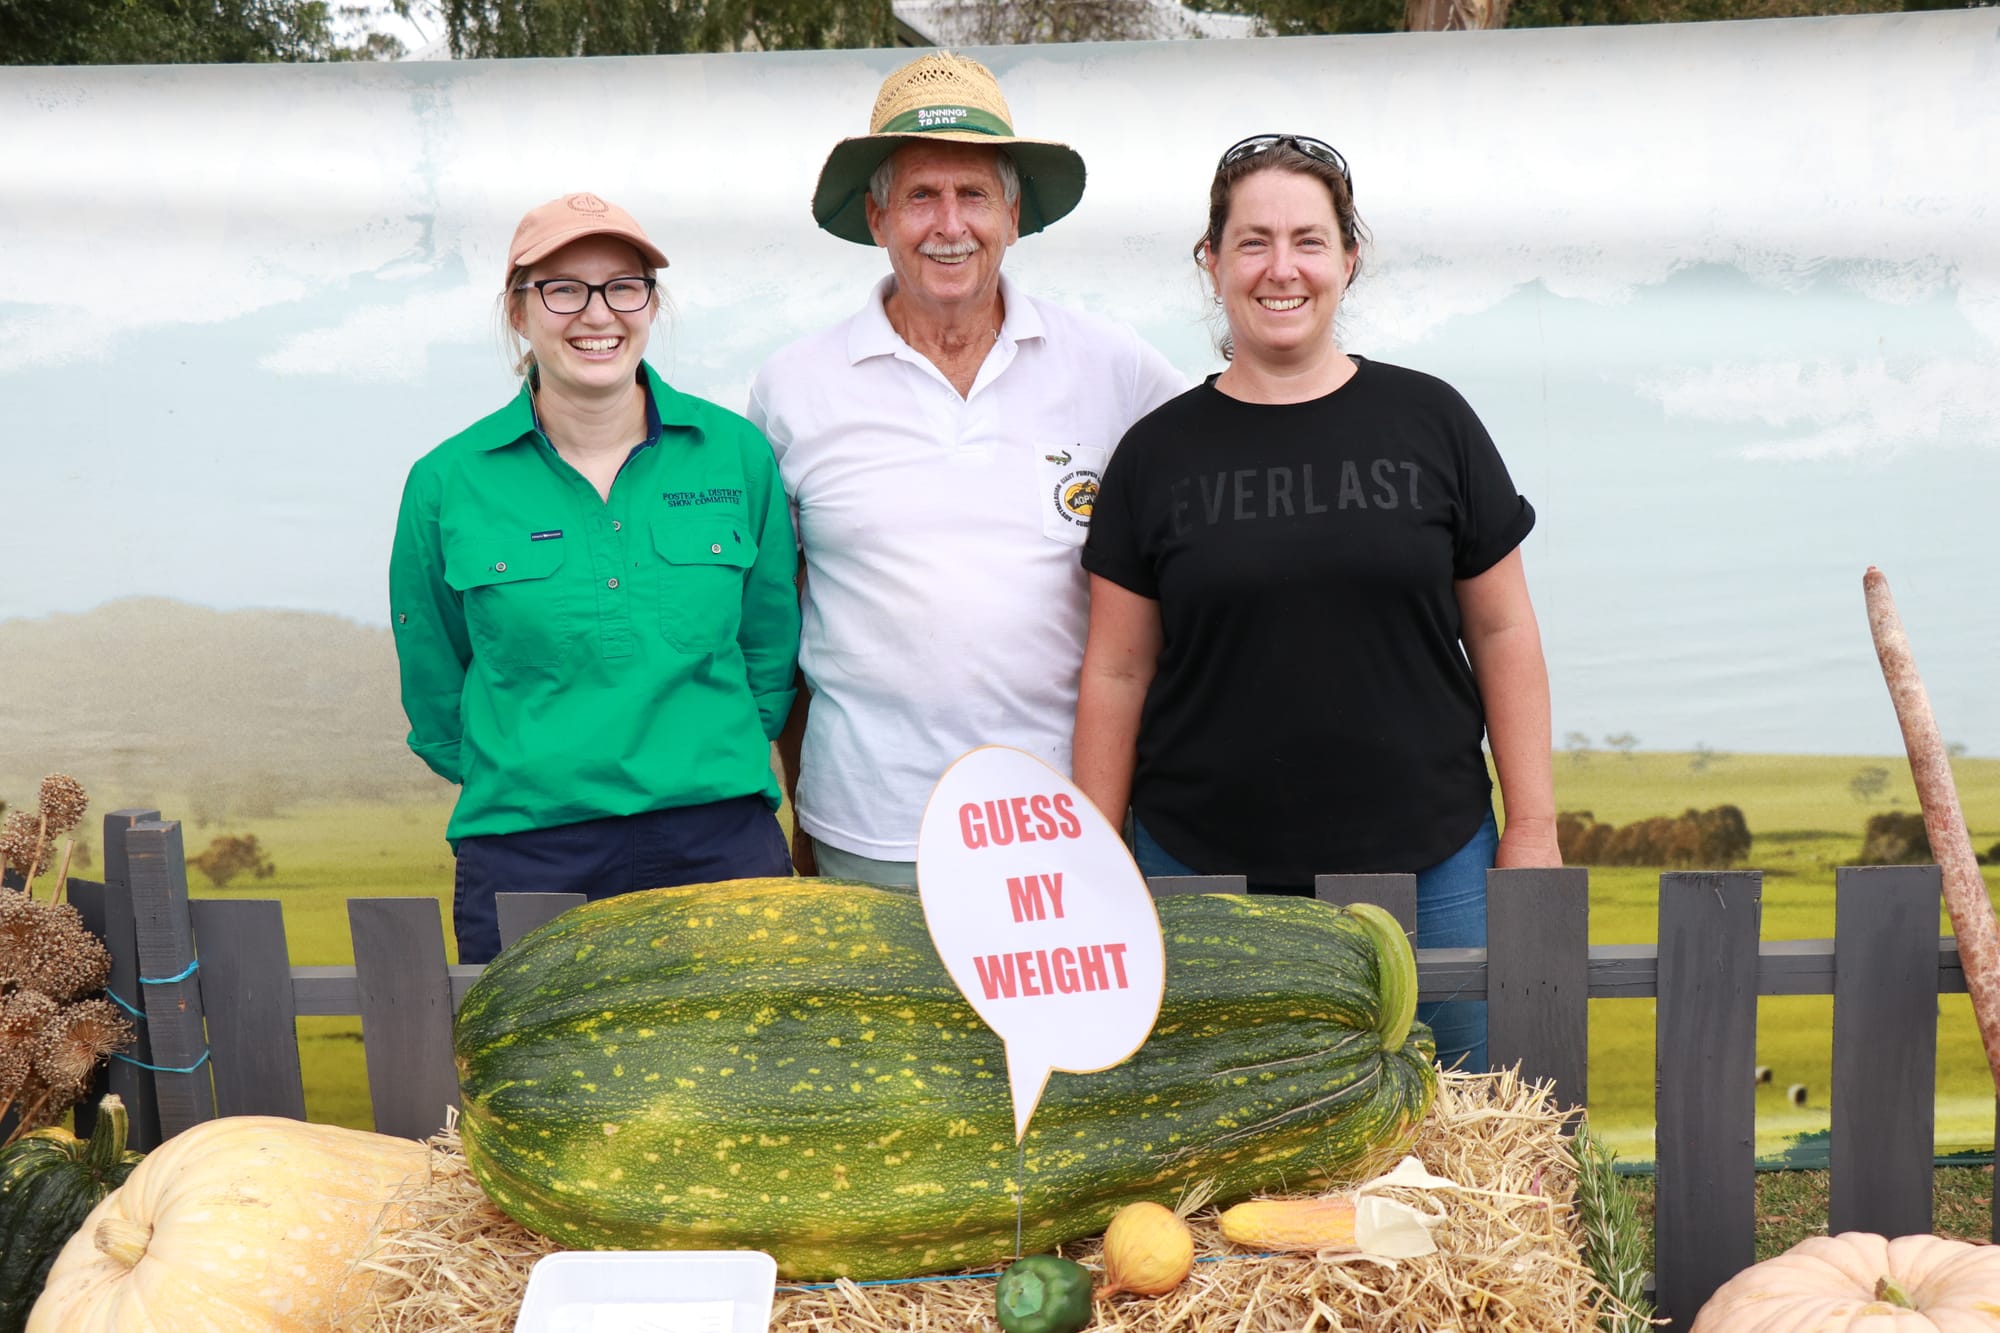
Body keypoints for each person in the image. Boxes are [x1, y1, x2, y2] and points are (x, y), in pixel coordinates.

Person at [1072, 136, 1560, 1071]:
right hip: (1199, 868)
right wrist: (1096, 854)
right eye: (1252, 242)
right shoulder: (1157, 453)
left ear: (1349, 257)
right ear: (1211, 264)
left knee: (1462, 1121)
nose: (1280, 268)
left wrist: (1531, 825)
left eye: (1308, 239)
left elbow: (1502, 628)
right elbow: (1117, 666)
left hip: (1435, 858)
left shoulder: (1433, 421)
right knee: (1230, 1154)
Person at [749, 52, 1186, 887]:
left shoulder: (1114, 367)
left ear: (1013, 216)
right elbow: (773, 612)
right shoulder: (793, 388)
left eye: (974, 194)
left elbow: (1210, 491)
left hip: (1066, 828)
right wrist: (801, 806)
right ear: (877, 219)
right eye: (920, 194)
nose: (949, 223)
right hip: (868, 833)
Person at [391, 192, 799, 964]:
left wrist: (699, 753)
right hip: (530, 851)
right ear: (518, 310)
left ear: (651, 301)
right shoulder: (447, 483)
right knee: (532, 1085)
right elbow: (435, 685)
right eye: (563, 288)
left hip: (717, 843)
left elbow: (769, 650)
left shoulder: (736, 456)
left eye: (622, 285)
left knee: (735, 1080)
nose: (597, 314)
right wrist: (537, 770)